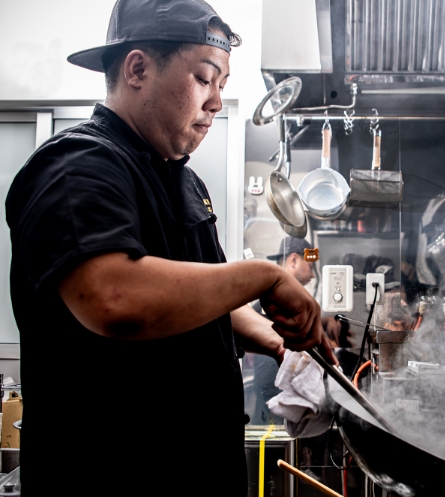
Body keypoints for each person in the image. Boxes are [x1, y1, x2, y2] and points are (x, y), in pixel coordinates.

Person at [5, 1, 335, 496]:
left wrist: (279, 343)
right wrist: (264, 276)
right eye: (206, 78)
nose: (217, 102)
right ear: (138, 68)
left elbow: (199, 301)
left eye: (223, 86)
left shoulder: (182, 181)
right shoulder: (77, 166)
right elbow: (114, 298)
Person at [248, 237, 343, 424]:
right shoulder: (271, 303)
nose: (313, 275)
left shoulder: (268, 303)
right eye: (310, 266)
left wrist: (322, 323)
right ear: (293, 260)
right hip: (275, 409)